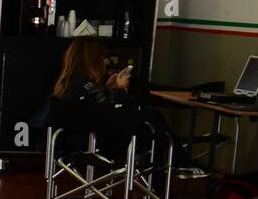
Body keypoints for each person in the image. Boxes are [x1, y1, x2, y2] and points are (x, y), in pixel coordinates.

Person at [51, 38, 199, 173]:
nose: (105, 62)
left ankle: (176, 166)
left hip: (79, 141)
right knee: (152, 120)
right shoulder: (86, 86)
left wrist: (108, 90)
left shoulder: (69, 84)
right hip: (99, 144)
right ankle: (179, 166)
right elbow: (121, 113)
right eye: (103, 59)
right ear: (94, 60)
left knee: (152, 123)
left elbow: (98, 110)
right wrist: (121, 90)